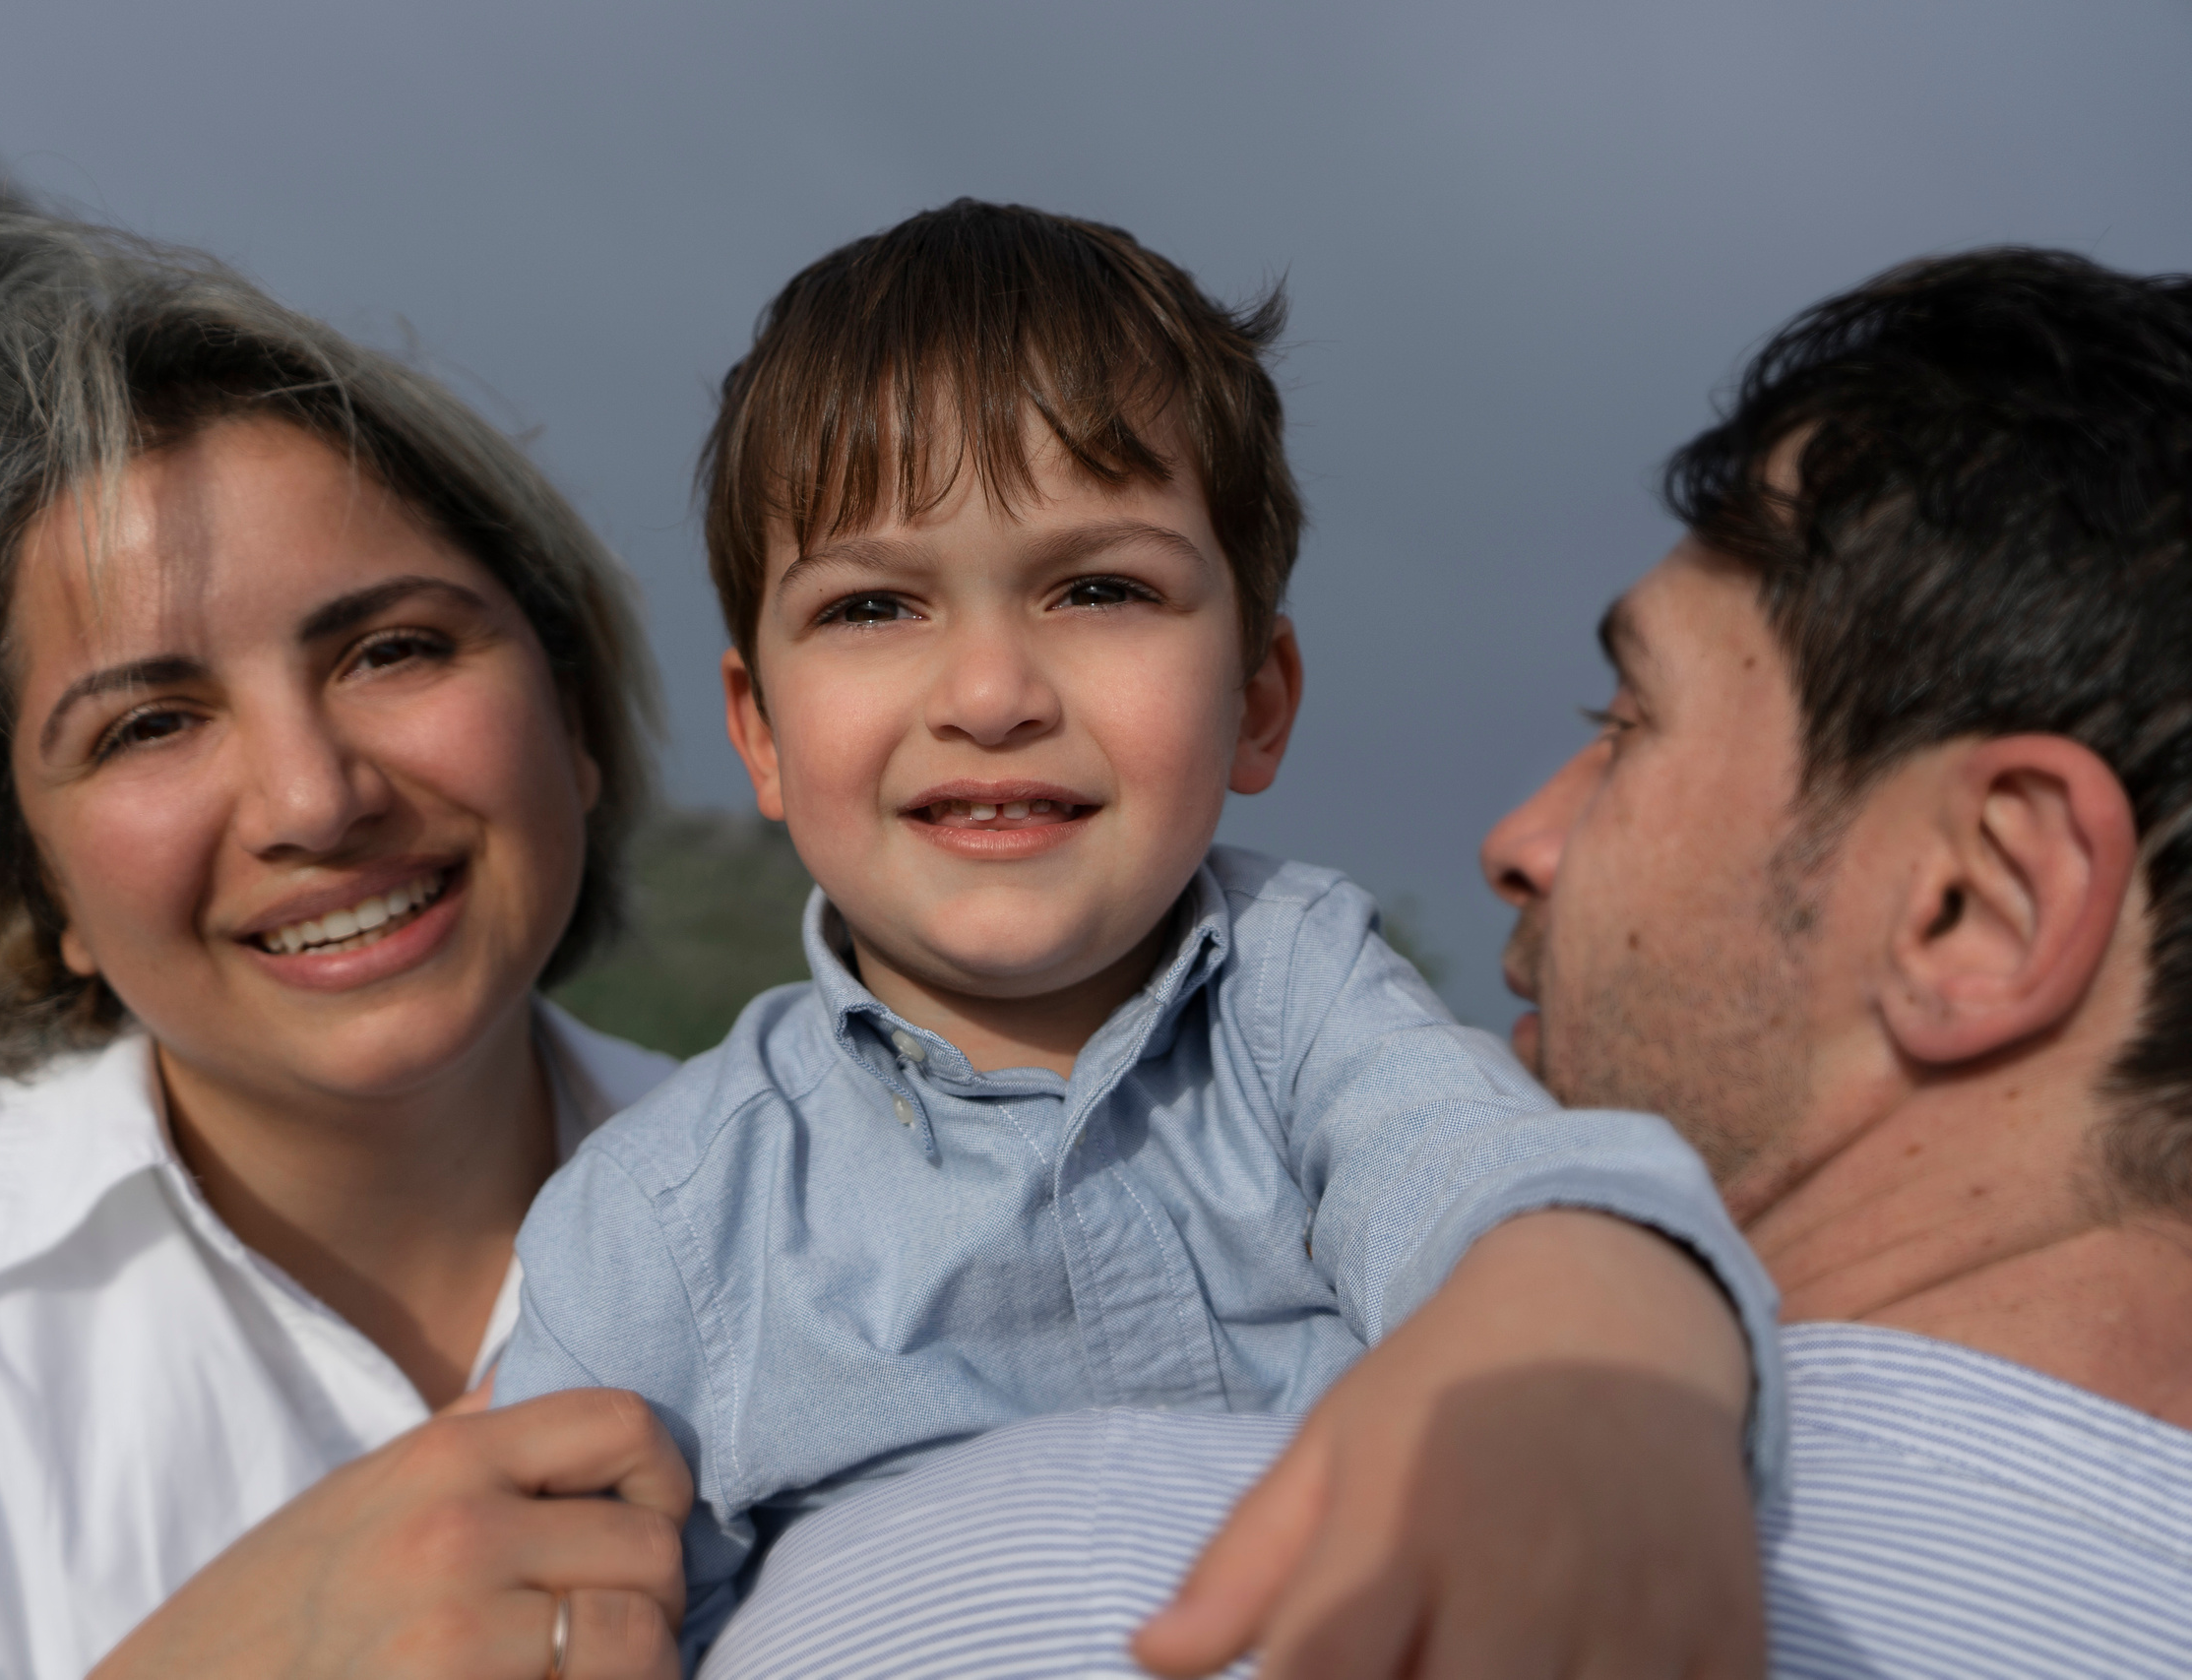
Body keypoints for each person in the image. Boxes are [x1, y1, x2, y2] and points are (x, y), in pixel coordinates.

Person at [698, 246, 2192, 1679]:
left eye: (1626, 723)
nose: (1518, 840)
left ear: (1974, 903)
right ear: (756, 718)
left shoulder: (1098, 1589)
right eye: (874, 605)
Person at [496, 200, 1785, 1676]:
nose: (989, 693)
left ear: (1259, 698)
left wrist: (1586, 1305)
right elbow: (550, 1594)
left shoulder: (1305, 1005)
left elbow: (1478, 1179)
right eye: (872, 607)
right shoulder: (656, 1223)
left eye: (1100, 589)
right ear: (762, 736)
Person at [0, 216, 693, 1680]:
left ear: (572, 720)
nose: (314, 797)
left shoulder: (864, 1236)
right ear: (36, 886)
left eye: (393, 649)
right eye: (148, 725)